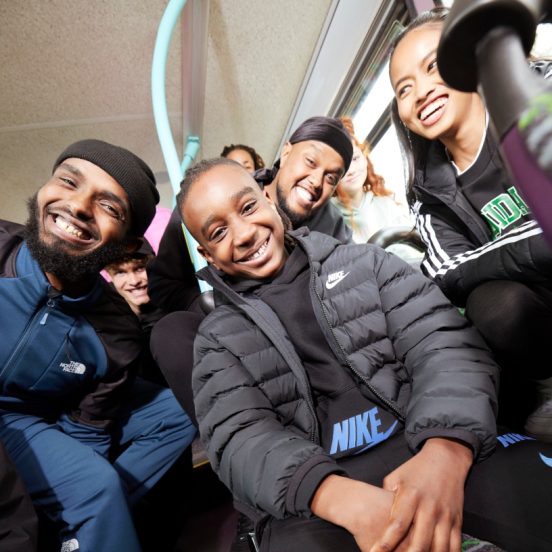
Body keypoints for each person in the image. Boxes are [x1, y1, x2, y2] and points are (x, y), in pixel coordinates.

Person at [179, 157, 552, 552]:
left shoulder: (366, 264)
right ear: (207, 254)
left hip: (426, 438)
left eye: (248, 207)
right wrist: (336, 497)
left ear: (270, 200)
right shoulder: (217, 340)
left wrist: (446, 450)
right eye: (219, 232)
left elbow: (442, 344)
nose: (243, 233)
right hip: (320, 496)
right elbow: (238, 437)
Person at [0, 139, 196, 552]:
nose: (78, 205)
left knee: (100, 484)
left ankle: (80, 524)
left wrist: (82, 490)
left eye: (109, 207)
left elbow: (87, 431)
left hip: (23, 419)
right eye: (68, 182)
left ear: (125, 245)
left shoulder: (117, 331)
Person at [388, 7, 552, 438]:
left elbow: (466, 265)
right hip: (539, 310)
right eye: (405, 89)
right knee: (491, 303)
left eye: (433, 67)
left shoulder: (539, 93)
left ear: (469, 57)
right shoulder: (427, 194)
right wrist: (538, 242)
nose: (421, 92)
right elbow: (447, 272)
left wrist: (492, 256)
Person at [147, 115, 353, 314]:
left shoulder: (333, 229)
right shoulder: (207, 202)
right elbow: (162, 284)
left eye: (331, 178)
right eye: (310, 161)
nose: (316, 181)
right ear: (286, 152)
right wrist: (213, 309)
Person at [332, 117, 411, 243]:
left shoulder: (388, 206)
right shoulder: (327, 215)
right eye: (342, 165)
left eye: (355, 158)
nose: (351, 170)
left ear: (365, 158)